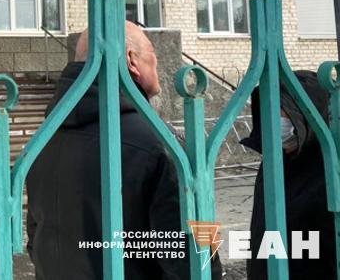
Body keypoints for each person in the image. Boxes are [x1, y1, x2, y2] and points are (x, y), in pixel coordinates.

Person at [26, 21, 222, 279]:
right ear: (131, 60)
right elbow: (193, 261)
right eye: (152, 51)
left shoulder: (42, 140)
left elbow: (36, 237)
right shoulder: (160, 144)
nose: (156, 60)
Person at [241, 71, 336, 279]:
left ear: (308, 115)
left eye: (283, 111)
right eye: (269, 109)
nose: (274, 119)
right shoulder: (274, 162)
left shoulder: (327, 172)